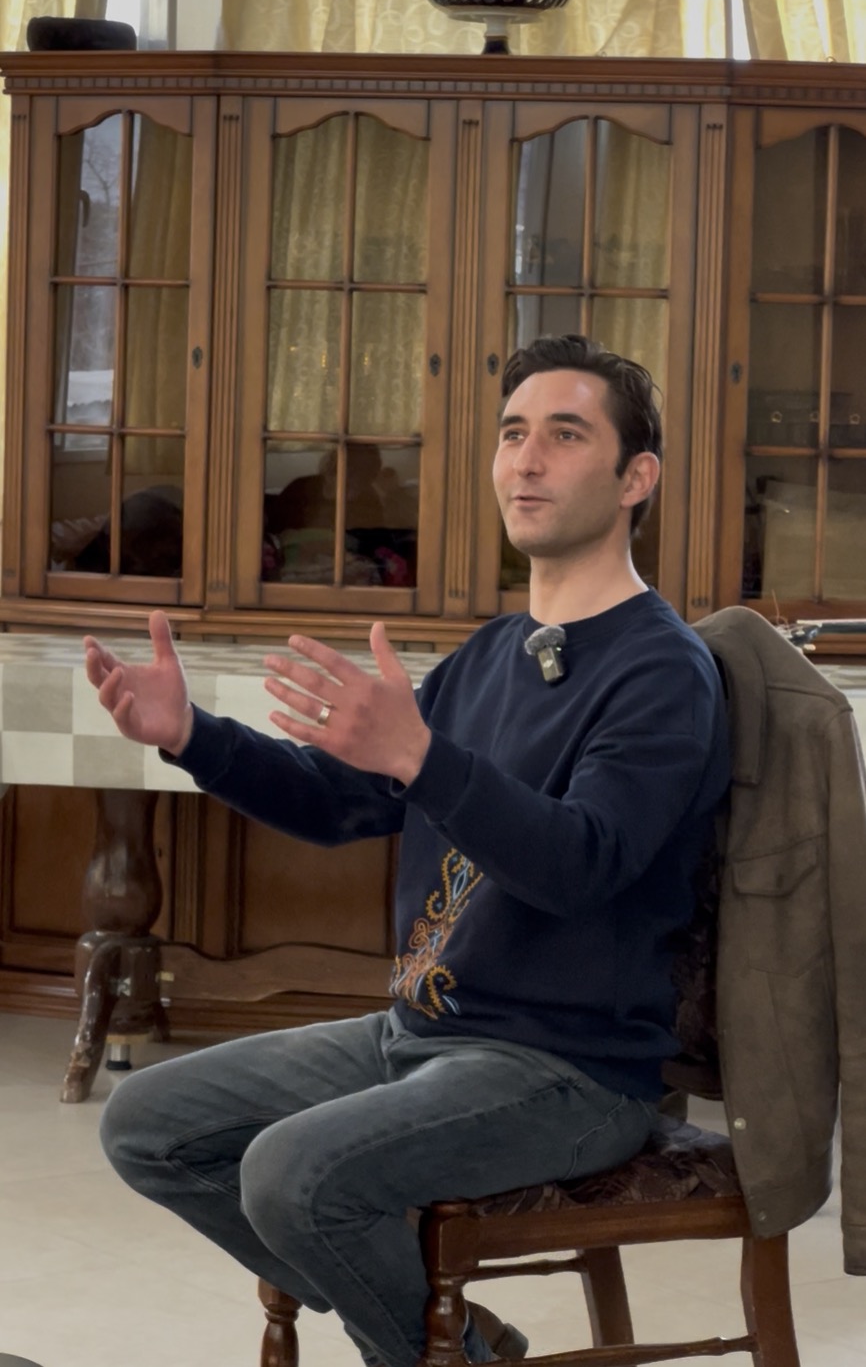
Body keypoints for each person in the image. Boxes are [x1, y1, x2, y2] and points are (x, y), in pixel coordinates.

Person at [85, 334, 730, 1367]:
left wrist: (425, 759)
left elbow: (582, 864)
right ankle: (458, 1341)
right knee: (144, 1121)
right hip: (418, 1034)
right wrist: (192, 735)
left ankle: (433, 1351)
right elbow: (339, 801)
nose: (526, 460)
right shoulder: (490, 655)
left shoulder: (662, 670)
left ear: (634, 478)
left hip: (569, 1073)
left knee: (291, 1175)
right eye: (512, 433)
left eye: (565, 435)